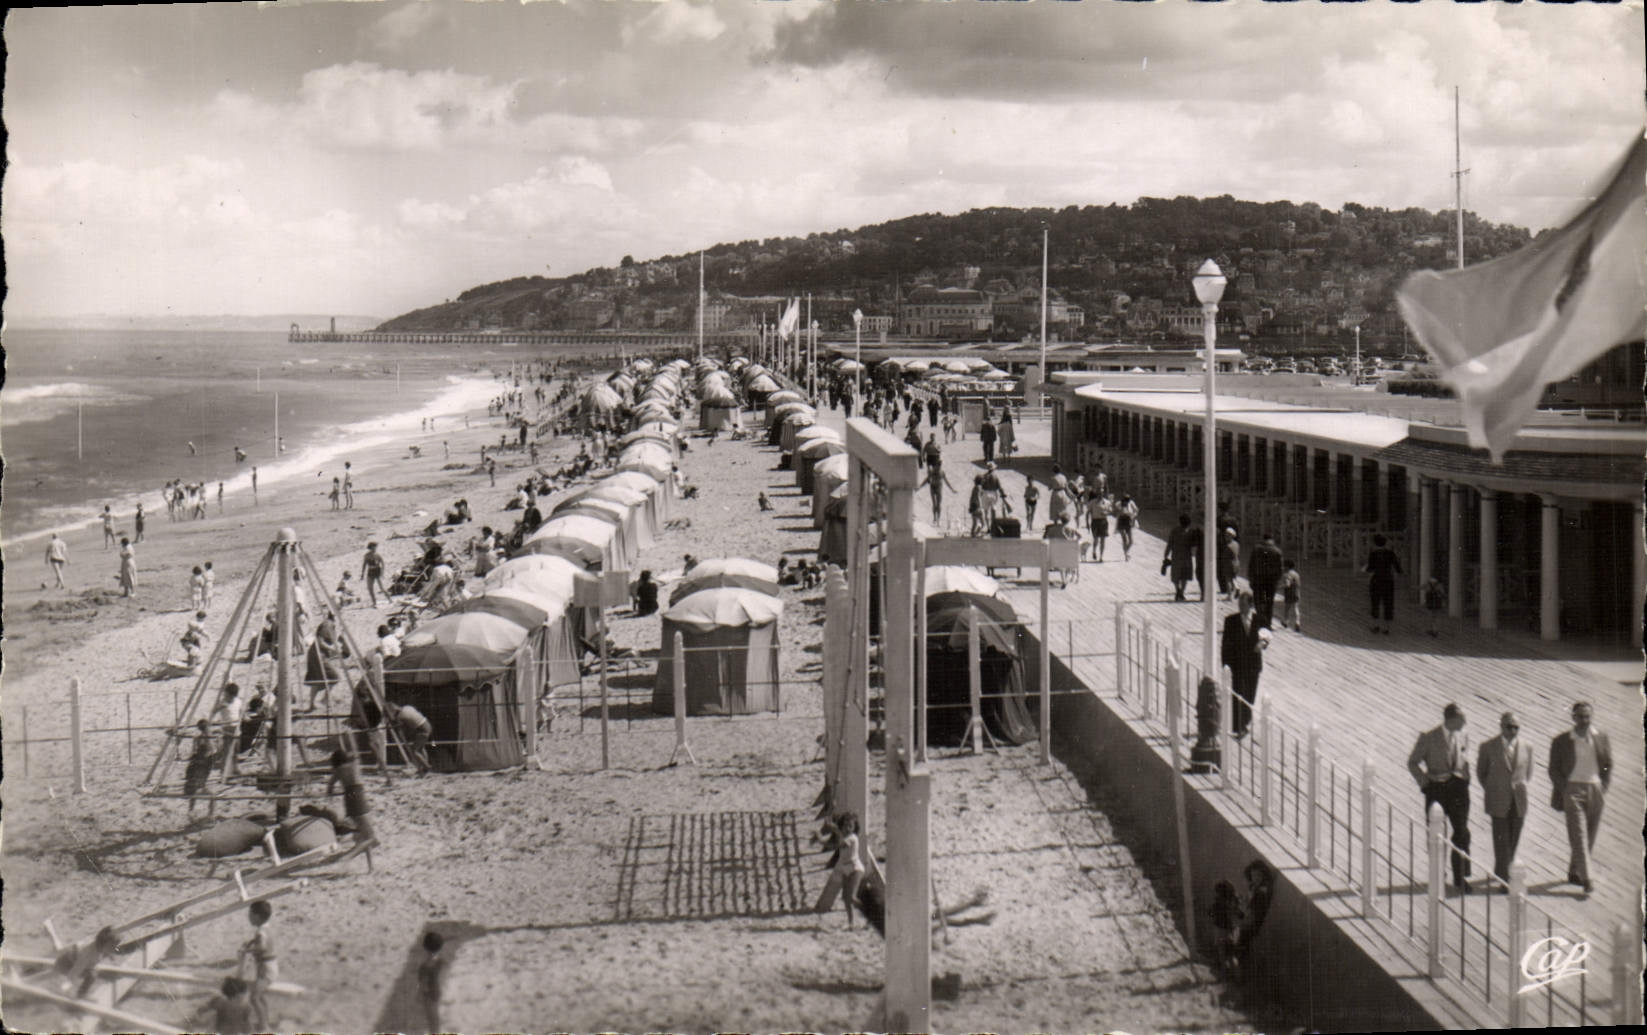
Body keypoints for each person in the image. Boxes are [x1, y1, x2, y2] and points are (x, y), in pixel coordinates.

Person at [1407, 702, 1473, 894]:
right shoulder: (1429, 738)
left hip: (1458, 789)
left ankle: (1460, 877)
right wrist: (1425, 783)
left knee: (1462, 832)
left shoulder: (1462, 735)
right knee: (1435, 833)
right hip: (1437, 788)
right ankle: (1437, 872)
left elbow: (1464, 759)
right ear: (1451, 720)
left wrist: (1465, 779)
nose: (1465, 723)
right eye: (1462, 719)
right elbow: (1412, 762)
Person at [1548, 701, 1611, 897]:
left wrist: (1603, 786)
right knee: (1578, 834)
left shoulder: (1601, 737)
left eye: (1587, 716)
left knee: (1589, 835)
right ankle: (1587, 878)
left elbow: (1607, 764)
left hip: (1595, 789)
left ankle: (1575, 872)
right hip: (1572, 789)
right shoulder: (1561, 741)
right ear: (1573, 718)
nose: (1584, 720)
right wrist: (1565, 789)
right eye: (1580, 717)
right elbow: (1553, 769)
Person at [1477, 711, 1534, 891]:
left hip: (1519, 799)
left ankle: (1501, 870)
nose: (1513, 731)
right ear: (1501, 726)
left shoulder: (1527, 747)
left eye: (1516, 728)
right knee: (1501, 840)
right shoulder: (1488, 747)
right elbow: (1481, 773)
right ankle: (1504, 879)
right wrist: (1494, 788)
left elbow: (1528, 773)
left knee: (1513, 839)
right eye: (1509, 727)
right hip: (1498, 798)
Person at [1221, 589, 1269, 739]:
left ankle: (1246, 721)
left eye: (1244, 604)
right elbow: (1225, 645)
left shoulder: (1259, 620)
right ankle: (1238, 727)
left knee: (1249, 695)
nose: (1241, 607)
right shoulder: (1231, 621)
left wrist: (1262, 644)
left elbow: (1266, 635)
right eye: (1239, 604)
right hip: (1237, 664)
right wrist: (1225, 665)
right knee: (1237, 694)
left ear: (1250, 605)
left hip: (1253, 665)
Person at [238, 900, 279, 1030]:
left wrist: (247, 951)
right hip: (270, 967)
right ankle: (265, 1020)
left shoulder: (260, 932)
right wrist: (251, 942)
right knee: (259, 996)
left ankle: (264, 1025)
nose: (248, 917)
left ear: (257, 916)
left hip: (266, 969)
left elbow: (261, 947)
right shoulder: (267, 928)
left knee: (254, 998)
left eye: (250, 914)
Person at [1363, 533, 1404, 635]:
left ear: (1375, 543)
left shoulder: (1373, 554)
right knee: (1388, 603)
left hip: (1376, 579)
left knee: (1375, 603)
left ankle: (1375, 625)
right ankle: (1387, 628)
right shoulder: (1390, 553)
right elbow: (1398, 568)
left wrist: (1365, 569)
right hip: (1388, 580)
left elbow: (1370, 568)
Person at [1247, 534, 1285, 629]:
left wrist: (1251, 578)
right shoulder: (1277, 551)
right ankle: (1268, 623)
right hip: (1271, 581)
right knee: (1269, 602)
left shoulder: (1256, 549)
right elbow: (1280, 568)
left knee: (1258, 601)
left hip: (1258, 579)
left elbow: (1251, 565)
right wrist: (1277, 579)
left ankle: (1260, 620)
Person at [183, 719, 217, 816]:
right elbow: (212, 750)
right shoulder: (207, 740)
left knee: (196, 791)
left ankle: (191, 811)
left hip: (195, 772)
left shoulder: (198, 740)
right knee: (211, 796)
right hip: (201, 771)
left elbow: (195, 751)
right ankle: (210, 815)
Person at [1211, 880, 1244, 977]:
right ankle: (1238, 976)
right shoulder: (1234, 902)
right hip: (1233, 931)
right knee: (1231, 954)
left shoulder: (1218, 904)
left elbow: (1212, 914)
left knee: (1222, 952)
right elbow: (1241, 915)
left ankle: (1225, 973)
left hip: (1221, 930)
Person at [417, 930, 447, 1033]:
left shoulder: (424, 966)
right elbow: (442, 977)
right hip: (439, 992)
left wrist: (418, 995)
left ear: (425, 948)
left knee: (432, 1022)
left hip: (429, 996)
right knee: (437, 1021)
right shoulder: (442, 963)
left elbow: (423, 984)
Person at [1162, 515, 1197, 602]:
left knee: (1176, 575)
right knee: (1184, 576)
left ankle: (1179, 591)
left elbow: (1170, 543)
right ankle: (1181, 592)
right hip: (1186, 557)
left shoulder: (1175, 531)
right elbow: (1194, 545)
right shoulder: (1190, 532)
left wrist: (1166, 554)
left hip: (1177, 556)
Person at [395, 703, 434, 774]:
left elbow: (400, 729)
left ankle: (427, 766)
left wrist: (401, 734)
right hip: (427, 724)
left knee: (415, 751)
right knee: (421, 748)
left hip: (422, 730)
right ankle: (425, 767)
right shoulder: (407, 707)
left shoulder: (400, 716)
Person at [1086, 491, 1110, 563]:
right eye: (1099, 494)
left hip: (1103, 521)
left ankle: (1101, 557)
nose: (1100, 495)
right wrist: (1087, 523)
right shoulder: (1092, 502)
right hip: (1095, 521)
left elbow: (1110, 510)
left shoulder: (1107, 502)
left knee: (1103, 540)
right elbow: (1088, 513)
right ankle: (1094, 551)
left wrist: (1106, 513)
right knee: (1096, 539)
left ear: (1103, 494)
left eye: (1102, 494)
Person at [361, 542, 389, 607]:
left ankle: (389, 599)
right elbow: (364, 565)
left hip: (377, 571)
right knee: (370, 588)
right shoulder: (367, 555)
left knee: (381, 587)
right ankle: (374, 602)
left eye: (375, 547)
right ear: (370, 548)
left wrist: (382, 572)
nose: (374, 548)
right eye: (373, 547)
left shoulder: (377, 555)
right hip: (370, 571)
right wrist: (362, 574)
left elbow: (382, 563)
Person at [1280, 559, 1303, 633]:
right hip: (1296, 592)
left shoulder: (1287, 574)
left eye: (1284, 566)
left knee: (1287, 608)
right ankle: (1297, 622)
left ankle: (1286, 621)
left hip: (1289, 593)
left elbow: (1287, 584)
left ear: (1287, 567)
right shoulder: (1296, 574)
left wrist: (1278, 587)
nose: (1283, 567)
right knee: (1296, 608)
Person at [1114, 493, 1138, 561]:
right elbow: (1116, 511)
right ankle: (1126, 555)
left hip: (1128, 521)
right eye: (1125, 500)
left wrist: (1133, 516)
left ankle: (1126, 551)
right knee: (1124, 539)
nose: (1126, 502)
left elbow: (1136, 510)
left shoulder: (1131, 503)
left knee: (1131, 541)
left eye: (1127, 500)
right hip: (1121, 521)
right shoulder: (1119, 504)